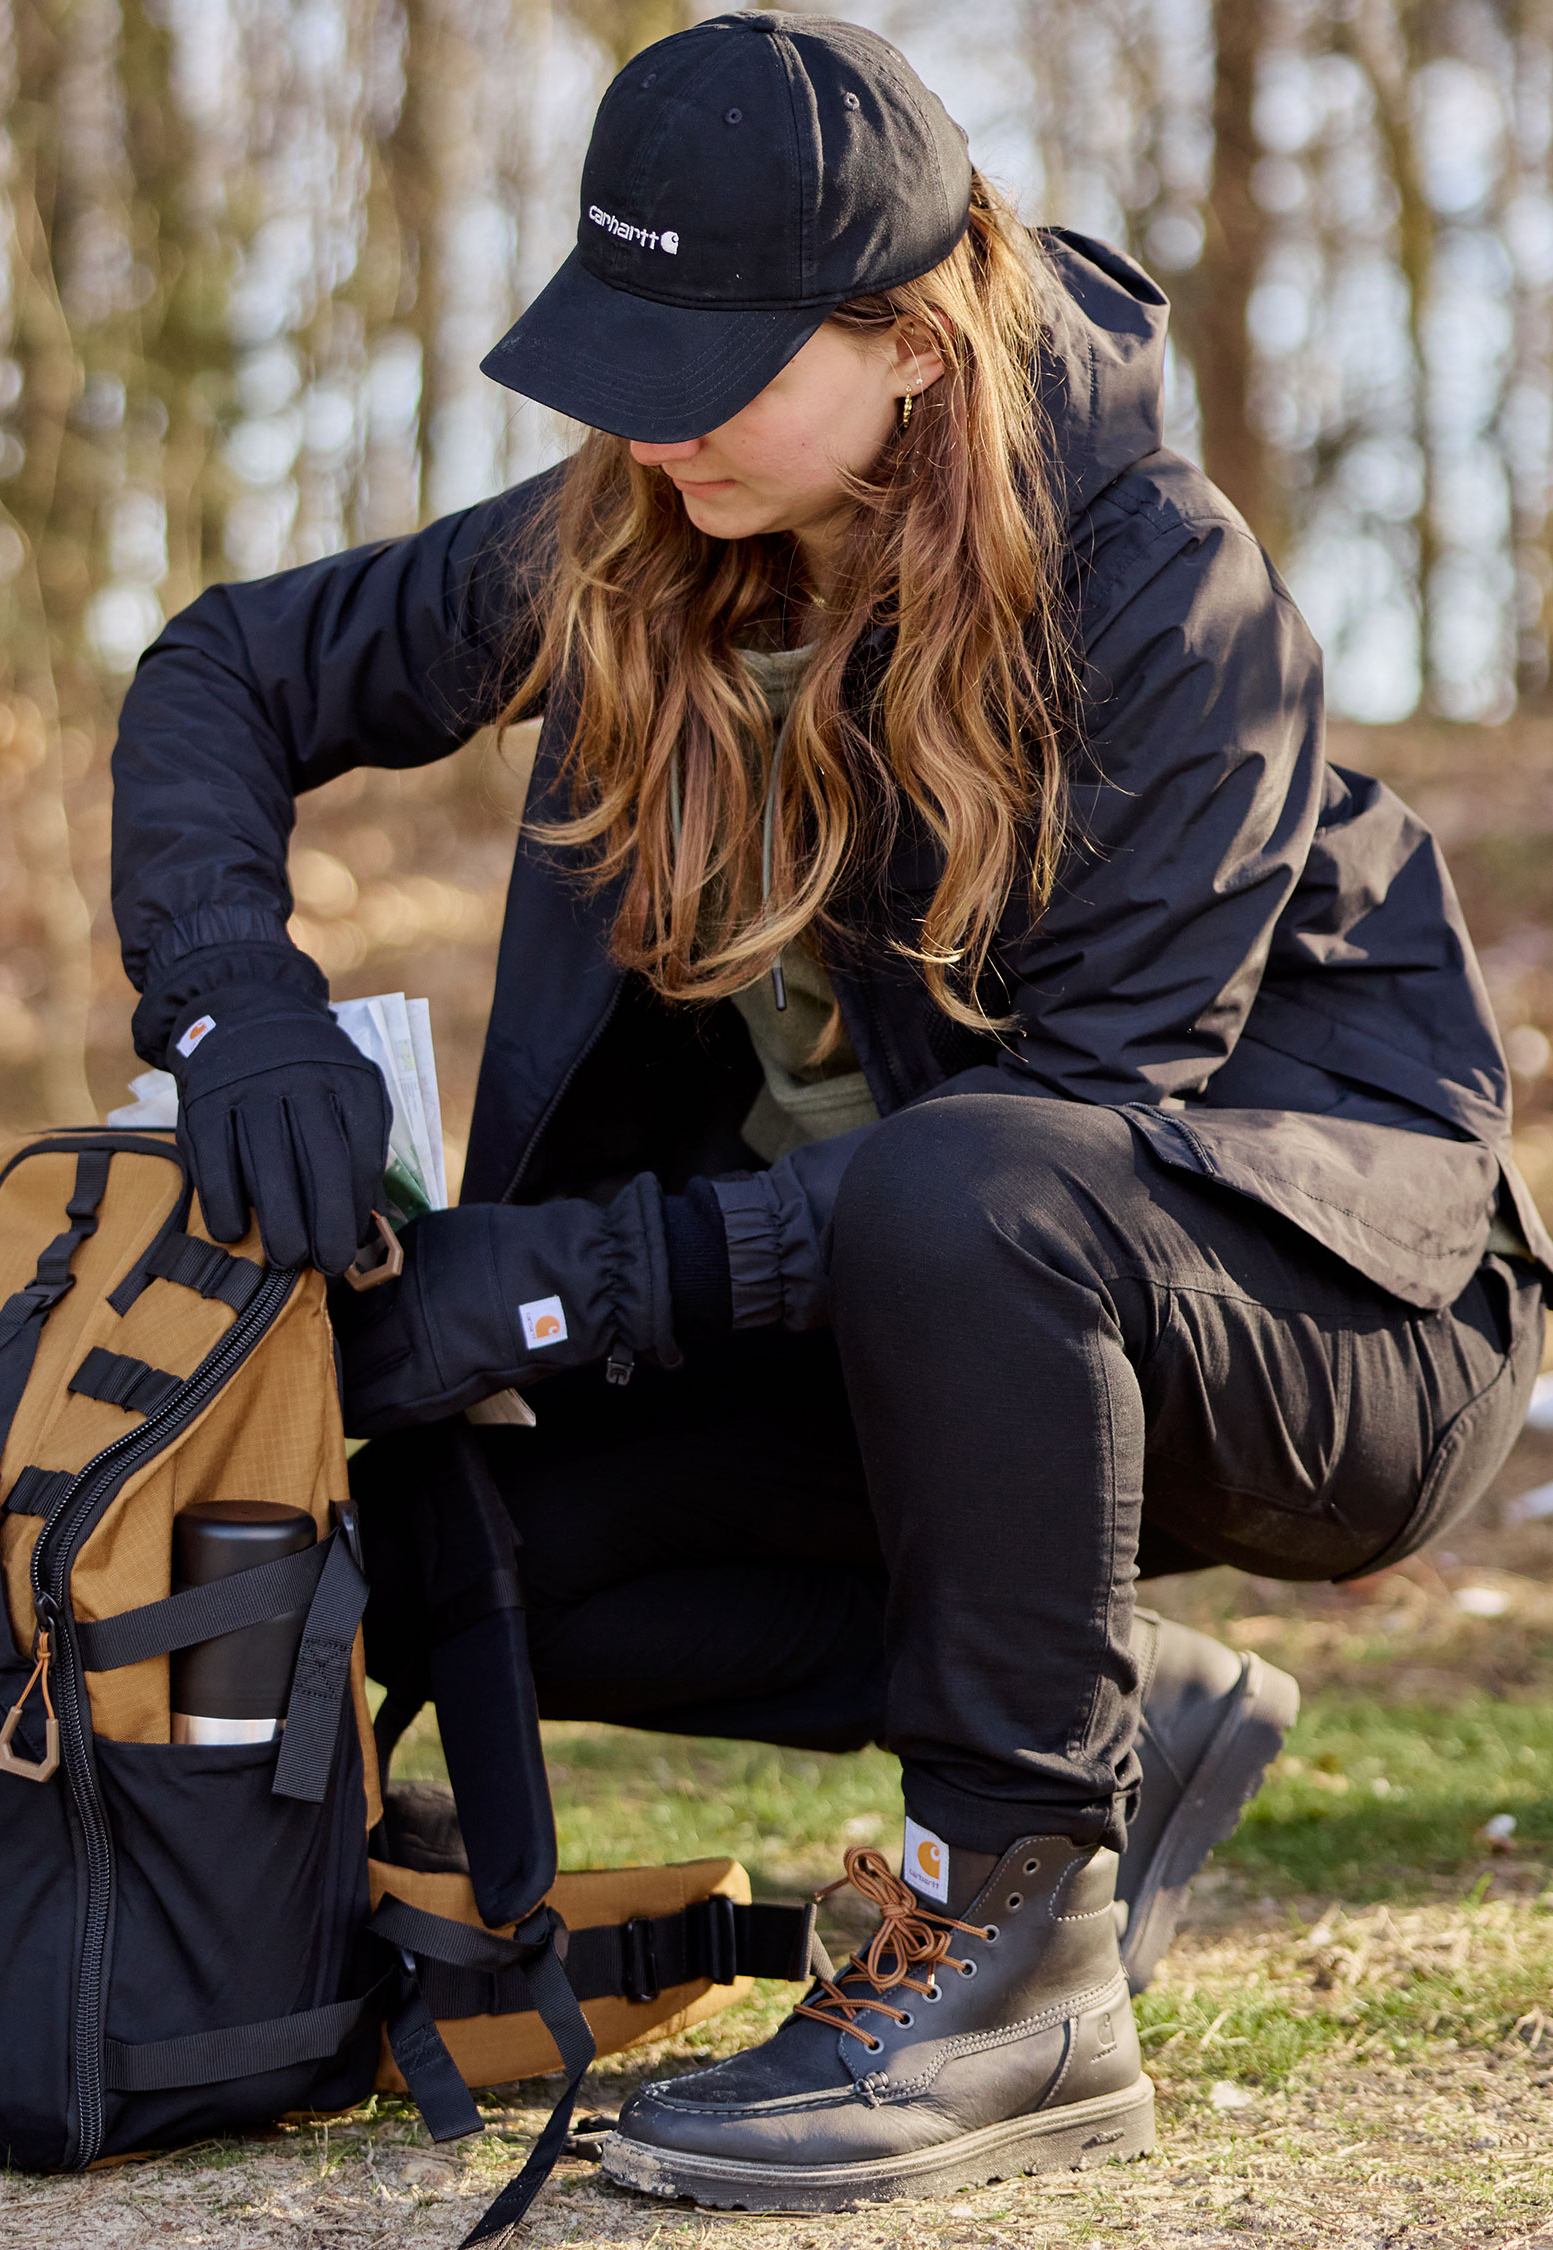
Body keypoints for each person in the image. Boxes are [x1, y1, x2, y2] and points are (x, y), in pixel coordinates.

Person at [109, 11, 1549, 2210]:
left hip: (1330, 1318)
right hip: (905, 1311)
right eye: (621, 352)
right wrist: (239, 1010)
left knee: (974, 1188)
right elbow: (226, 665)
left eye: (709, 362)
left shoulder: (1167, 591)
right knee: (455, 1551)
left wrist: (577, 1282)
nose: (646, 416)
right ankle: (1112, 1703)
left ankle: (1018, 1950)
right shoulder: (644, 524)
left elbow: (1064, 1141)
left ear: (911, 339)